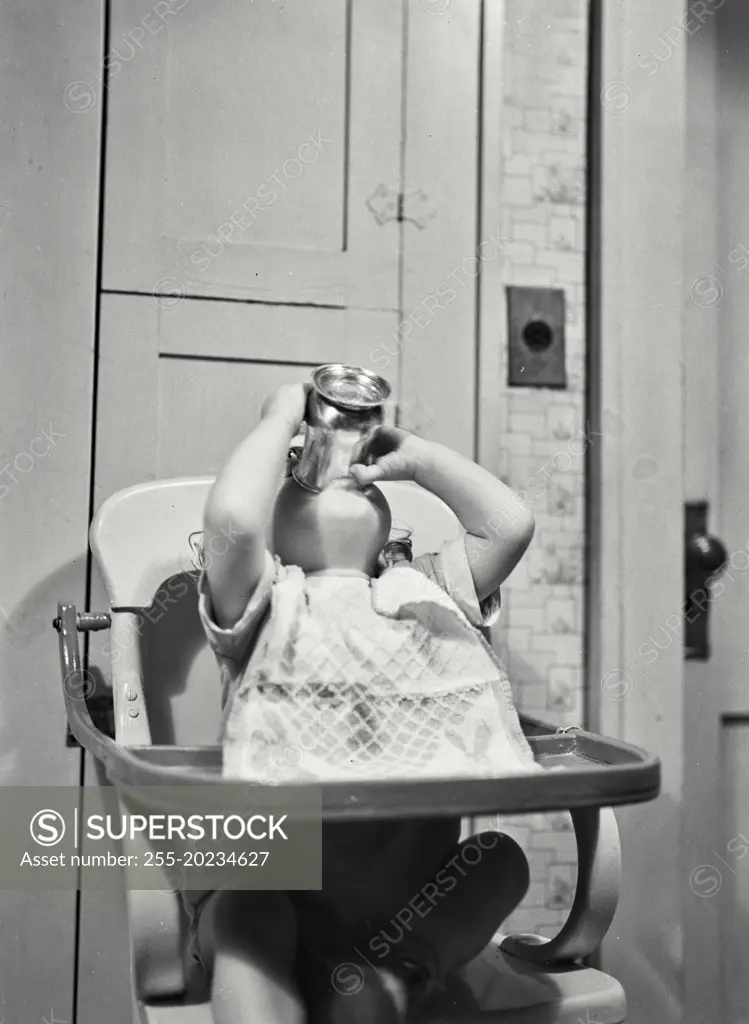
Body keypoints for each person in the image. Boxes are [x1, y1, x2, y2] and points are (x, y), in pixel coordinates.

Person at [193, 382, 538, 1023]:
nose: (326, 469)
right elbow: (233, 522)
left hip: (405, 907)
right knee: (247, 907)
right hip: (280, 892)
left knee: (500, 861)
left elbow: (510, 526)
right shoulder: (265, 600)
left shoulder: (420, 593)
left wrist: (419, 456)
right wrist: (279, 420)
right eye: (299, 466)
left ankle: (397, 976)